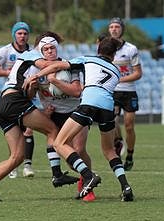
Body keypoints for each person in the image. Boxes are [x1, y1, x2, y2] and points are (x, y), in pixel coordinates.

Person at [26, 37, 134, 202]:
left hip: (89, 104)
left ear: (98, 49)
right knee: (109, 151)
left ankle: (88, 176)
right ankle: (126, 187)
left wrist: (37, 76)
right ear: (113, 55)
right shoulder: (116, 70)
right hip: (107, 108)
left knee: (59, 143)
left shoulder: (88, 59)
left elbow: (57, 66)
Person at [0, 33, 79, 202]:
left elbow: (29, 94)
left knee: (17, 156)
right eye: (46, 48)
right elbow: (48, 64)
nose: (49, 51)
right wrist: (72, 63)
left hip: (4, 105)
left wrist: (34, 86)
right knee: (52, 129)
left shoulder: (30, 63)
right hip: (14, 101)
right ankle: (57, 174)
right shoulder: (32, 55)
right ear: (40, 47)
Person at [33, 32, 95, 201]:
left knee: (80, 150)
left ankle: (88, 186)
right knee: (70, 158)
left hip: (75, 111)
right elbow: (33, 93)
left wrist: (55, 81)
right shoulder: (36, 70)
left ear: (57, 48)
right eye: (45, 49)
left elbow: (76, 92)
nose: (49, 51)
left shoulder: (70, 66)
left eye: (52, 47)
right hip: (54, 115)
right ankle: (86, 175)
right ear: (41, 52)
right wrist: (43, 107)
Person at [0, 21, 35, 178]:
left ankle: (28, 165)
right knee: (14, 132)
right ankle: (13, 165)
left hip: (28, 94)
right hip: (11, 96)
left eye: (25, 33)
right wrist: (8, 72)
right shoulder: (6, 50)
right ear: (14, 34)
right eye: (19, 33)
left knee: (29, 130)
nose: (22, 36)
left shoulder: (33, 52)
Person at [108, 17, 142, 171]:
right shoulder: (107, 47)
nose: (114, 29)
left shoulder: (131, 49)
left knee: (129, 126)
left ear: (122, 29)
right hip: (112, 91)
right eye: (111, 27)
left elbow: (138, 73)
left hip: (128, 92)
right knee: (112, 121)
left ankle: (129, 155)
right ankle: (118, 141)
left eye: (117, 26)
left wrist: (119, 79)